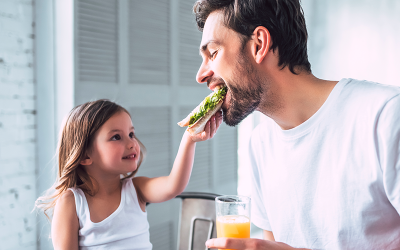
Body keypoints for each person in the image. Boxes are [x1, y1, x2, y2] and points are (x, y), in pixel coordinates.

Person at [192, 0, 400, 249]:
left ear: (258, 44)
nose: (200, 75)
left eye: (213, 53)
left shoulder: (386, 115)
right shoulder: (260, 144)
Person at [35, 99, 222, 249]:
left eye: (131, 134)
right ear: (85, 155)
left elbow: (174, 185)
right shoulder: (72, 202)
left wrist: (189, 139)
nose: (132, 143)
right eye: (116, 137)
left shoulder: (136, 189)